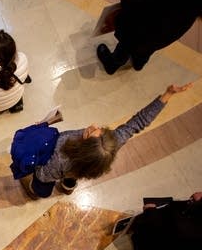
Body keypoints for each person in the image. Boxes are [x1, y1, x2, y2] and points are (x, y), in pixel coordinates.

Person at [18, 82, 193, 199]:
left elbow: (43, 174)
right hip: (81, 168)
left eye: (91, 131)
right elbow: (139, 122)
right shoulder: (111, 143)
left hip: (56, 170)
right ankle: (68, 185)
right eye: (98, 128)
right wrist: (168, 94)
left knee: (41, 185)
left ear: (82, 147)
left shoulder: (59, 157)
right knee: (75, 173)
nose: (93, 125)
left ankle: (35, 191)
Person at [97, 0, 202, 75]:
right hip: (163, 37)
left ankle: (112, 65)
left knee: (124, 48)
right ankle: (138, 63)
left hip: (138, 31)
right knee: (147, 49)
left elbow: (137, 5)